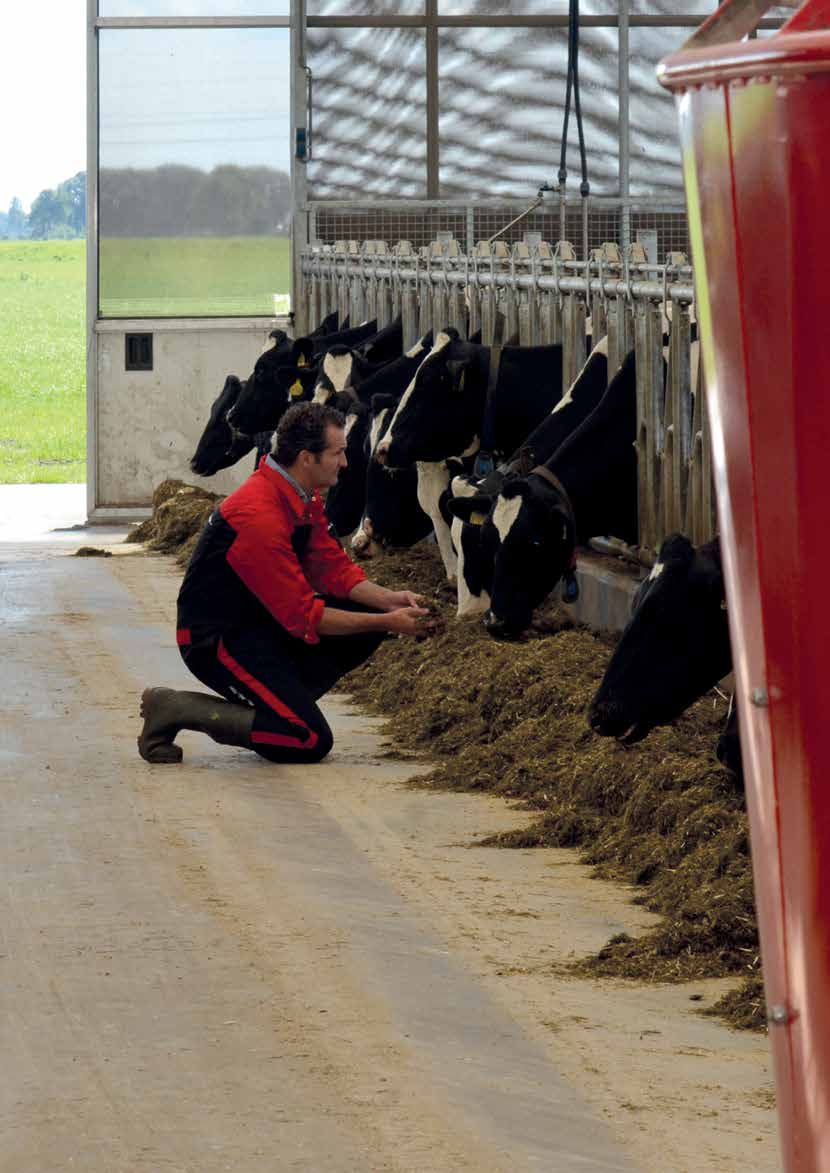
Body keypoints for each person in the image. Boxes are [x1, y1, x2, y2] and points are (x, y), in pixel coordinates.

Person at [138, 401, 435, 765]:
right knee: (307, 739)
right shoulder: (259, 515)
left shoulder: (297, 493)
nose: (345, 462)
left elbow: (333, 569)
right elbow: (304, 615)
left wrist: (390, 601)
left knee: (366, 613)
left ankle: (281, 701)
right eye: (338, 453)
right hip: (216, 640)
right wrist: (388, 623)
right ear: (307, 458)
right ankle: (180, 708)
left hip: (261, 625)